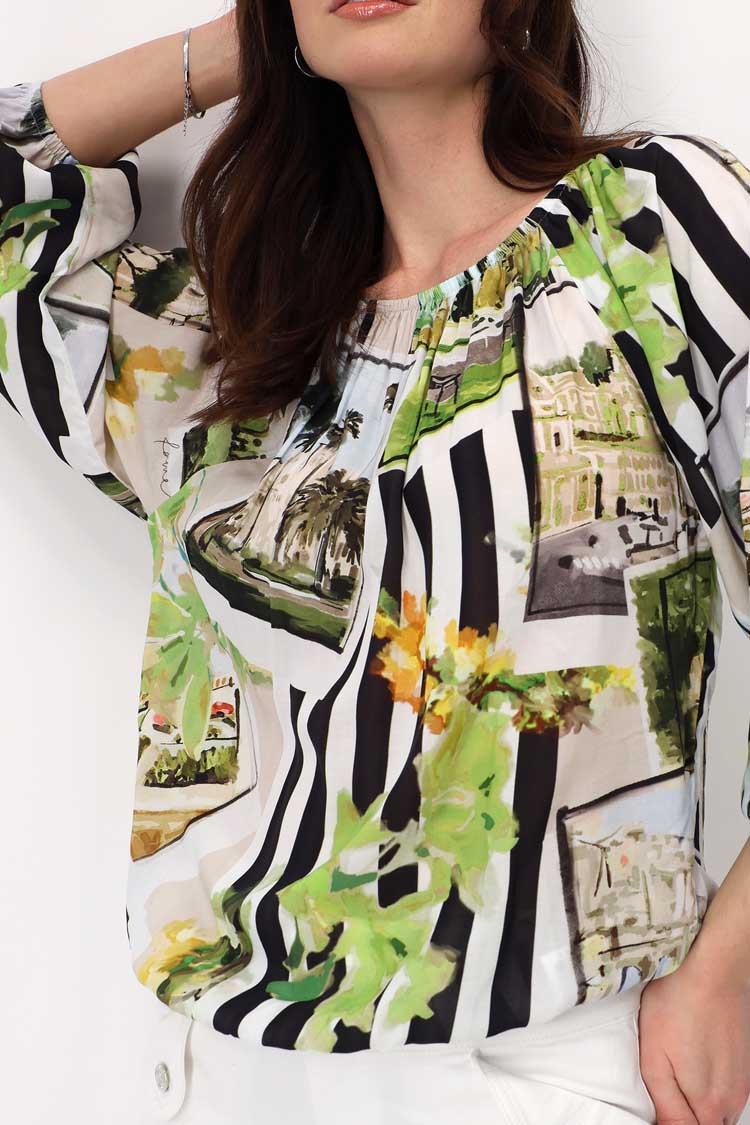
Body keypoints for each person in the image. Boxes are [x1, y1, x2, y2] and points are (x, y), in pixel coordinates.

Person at [1, 1, 750, 1122]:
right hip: (226, 1067)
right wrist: (261, 38)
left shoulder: (643, 235)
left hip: (527, 1063)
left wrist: (728, 970)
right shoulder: (233, 338)